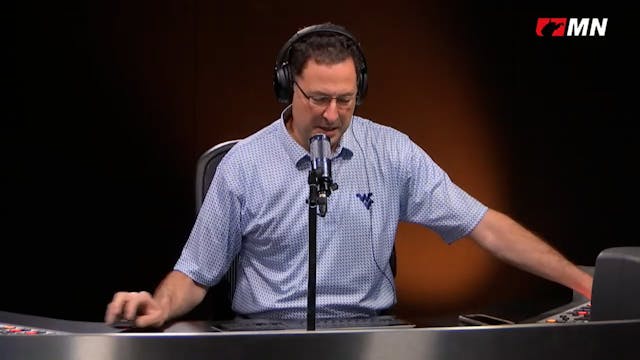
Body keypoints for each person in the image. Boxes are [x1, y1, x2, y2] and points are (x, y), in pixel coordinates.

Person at [105, 22, 593, 328]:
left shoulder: (392, 152)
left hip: (372, 332)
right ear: (286, 88)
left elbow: (484, 224)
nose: (333, 115)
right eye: (318, 98)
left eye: (346, 99)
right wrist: (160, 306)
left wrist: (583, 283)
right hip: (266, 336)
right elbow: (195, 272)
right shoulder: (244, 166)